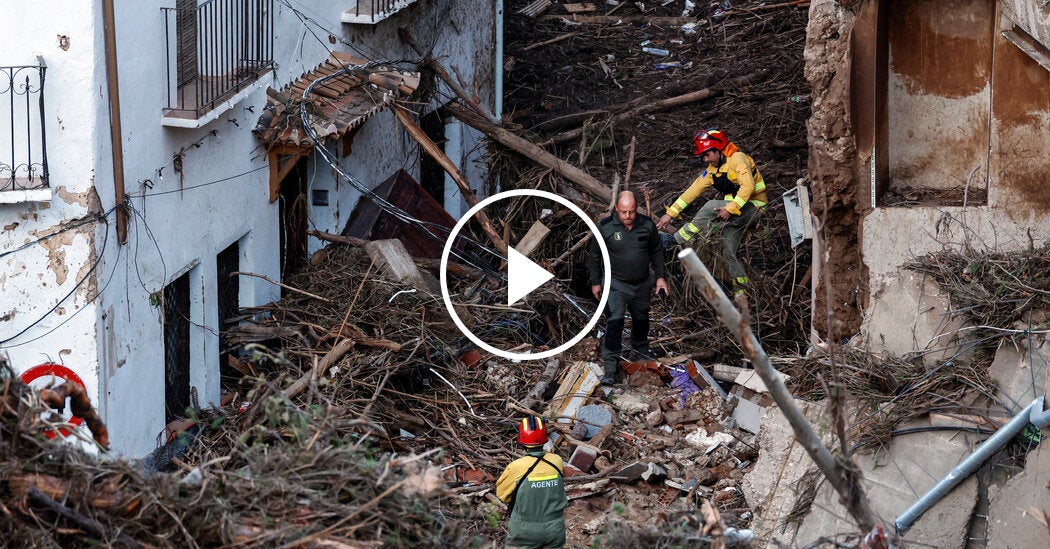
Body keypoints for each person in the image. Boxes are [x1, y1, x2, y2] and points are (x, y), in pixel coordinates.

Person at [656, 129, 767, 296]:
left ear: (718, 149)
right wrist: (671, 213)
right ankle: (742, 292)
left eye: (707, 155)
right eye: (703, 156)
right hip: (736, 211)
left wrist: (730, 208)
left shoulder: (738, 159)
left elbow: (749, 186)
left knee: (710, 206)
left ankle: (675, 240)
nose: (705, 159)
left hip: (754, 207)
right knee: (728, 251)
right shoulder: (712, 170)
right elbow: (693, 191)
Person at [588, 191, 669, 385]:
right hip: (616, 283)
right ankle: (611, 366)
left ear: (637, 208)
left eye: (631, 212)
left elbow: (657, 252)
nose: (627, 216)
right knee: (615, 321)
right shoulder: (605, 228)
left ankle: (640, 348)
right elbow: (594, 256)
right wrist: (595, 282)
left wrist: (660, 278)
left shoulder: (647, 225)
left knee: (641, 317)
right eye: (623, 212)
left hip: (642, 283)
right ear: (616, 208)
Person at [495, 416, 567, 549]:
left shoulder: (516, 467)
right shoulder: (556, 461)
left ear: (521, 439)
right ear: (545, 437)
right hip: (555, 530)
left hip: (524, 531)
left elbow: (502, 495)